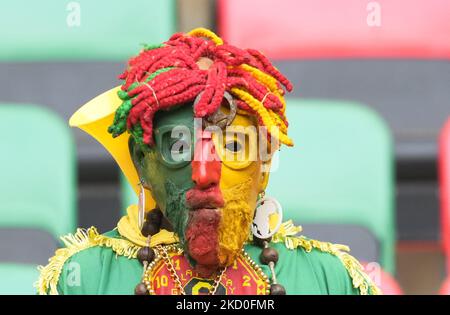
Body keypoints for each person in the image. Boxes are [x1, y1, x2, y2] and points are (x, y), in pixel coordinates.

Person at [37, 28, 380, 295]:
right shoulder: (85, 279)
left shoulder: (328, 279)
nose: (206, 173)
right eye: (178, 147)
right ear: (143, 162)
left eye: (234, 145)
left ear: (264, 164)